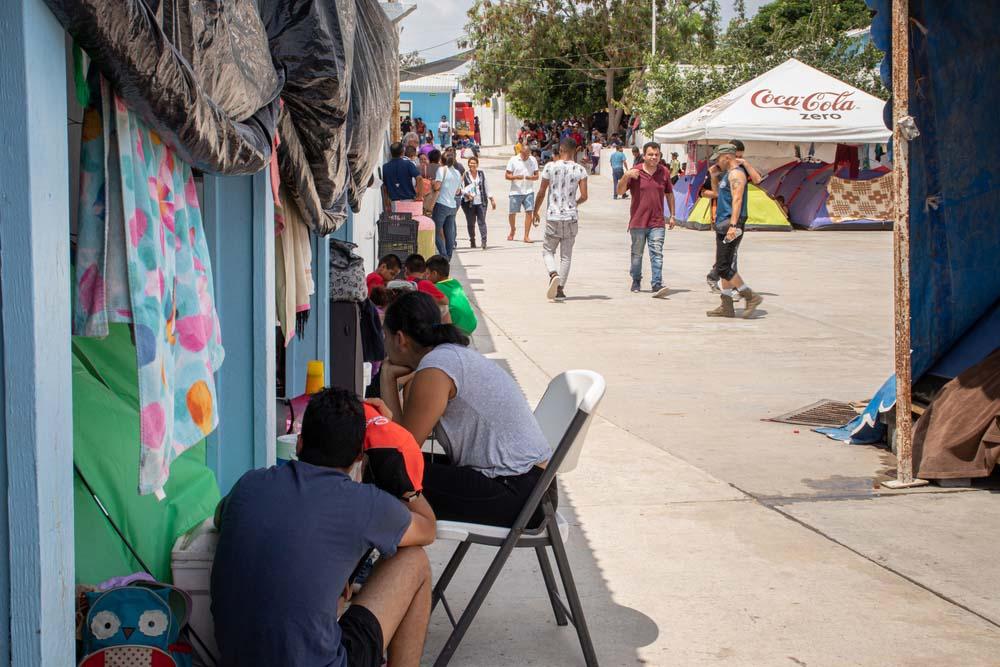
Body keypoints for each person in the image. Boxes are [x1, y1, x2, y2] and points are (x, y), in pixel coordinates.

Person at [211, 387, 437, 667]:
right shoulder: (365, 505)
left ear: (299, 444)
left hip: (233, 658)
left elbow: (221, 518)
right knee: (414, 560)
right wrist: (389, 437)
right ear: (358, 456)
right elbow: (428, 528)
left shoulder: (249, 484)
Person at [379, 291, 555, 528]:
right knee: (391, 471)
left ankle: (388, 559)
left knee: (385, 474)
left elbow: (401, 452)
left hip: (518, 495)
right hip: (535, 489)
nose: (384, 344)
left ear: (400, 338)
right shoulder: (450, 355)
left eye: (385, 336)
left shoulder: (435, 369)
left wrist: (386, 379)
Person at [705, 144, 764, 319]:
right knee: (725, 264)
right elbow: (716, 193)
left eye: (718, 159)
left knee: (723, 267)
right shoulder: (726, 175)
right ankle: (727, 305)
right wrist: (714, 175)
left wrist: (733, 225)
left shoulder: (737, 174)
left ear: (727, 157)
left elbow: (737, 200)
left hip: (731, 222)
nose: (717, 162)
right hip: (723, 222)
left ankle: (750, 296)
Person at [618, 141, 676, 298]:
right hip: (638, 222)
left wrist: (672, 215)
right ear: (644, 156)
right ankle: (636, 279)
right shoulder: (635, 172)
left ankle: (656, 283)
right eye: (650, 154)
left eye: (656, 155)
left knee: (657, 253)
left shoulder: (664, 172)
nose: (654, 157)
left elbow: (669, 194)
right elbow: (620, 191)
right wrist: (625, 176)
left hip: (657, 222)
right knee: (637, 254)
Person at [533, 138, 589, 301]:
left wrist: (535, 211)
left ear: (561, 149)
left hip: (553, 216)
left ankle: (553, 273)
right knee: (566, 255)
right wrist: (574, 203)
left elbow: (542, 192)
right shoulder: (580, 170)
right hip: (571, 217)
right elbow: (584, 196)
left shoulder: (550, 167)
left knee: (548, 250)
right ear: (575, 150)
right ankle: (560, 289)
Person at [425, 255, 477, 335]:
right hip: (471, 324)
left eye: (427, 274)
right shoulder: (455, 282)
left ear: (434, 273)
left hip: (457, 328)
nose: (426, 277)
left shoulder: (436, 288)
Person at [505, 143, 540, 243]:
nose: (526, 156)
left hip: (529, 191)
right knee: (512, 213)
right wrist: (516, 177)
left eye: (528, 154)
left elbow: (537, 176)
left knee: (529, 212)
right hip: (515, 191)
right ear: (520, 152)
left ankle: (526, 236)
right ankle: (512, 230)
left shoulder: (533, 160)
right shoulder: (513, 160)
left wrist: (531, 178)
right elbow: (507, 176)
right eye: (524, 154)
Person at [460, 156, 495, 250]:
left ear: (477, 164)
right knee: (471, 223)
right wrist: (466, 195)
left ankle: (484, 241)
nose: (472, 165)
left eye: (474, 163)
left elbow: (486, 186)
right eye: (470, 163)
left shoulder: (481, 174)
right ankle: (472, 240)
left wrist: (491, 199)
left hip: (481, 202)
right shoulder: (465, 174)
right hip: (469, 203)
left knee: (482, 222)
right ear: (468, 164)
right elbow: (460, 187)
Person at [432, 153, 463, 259]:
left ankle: (443, 255)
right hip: (452, 205)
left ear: (442, 160)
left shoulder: (442, 170)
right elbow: (458, 191)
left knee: (436, 230)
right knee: (449, 232)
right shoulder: (458, 173)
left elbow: (437, 186)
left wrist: (432, 183)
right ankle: (449, 256)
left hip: (441, 204)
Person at [382, 142, 424, 212]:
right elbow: (419, 178)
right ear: (403, 152)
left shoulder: (385, 167)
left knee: (398, 223)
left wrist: (387, 203)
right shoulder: (408, 164)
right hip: (409, 203)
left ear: (391, 153)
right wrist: (420, 196)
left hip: (394, 204)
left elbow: (385, 187)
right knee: (411, 222)